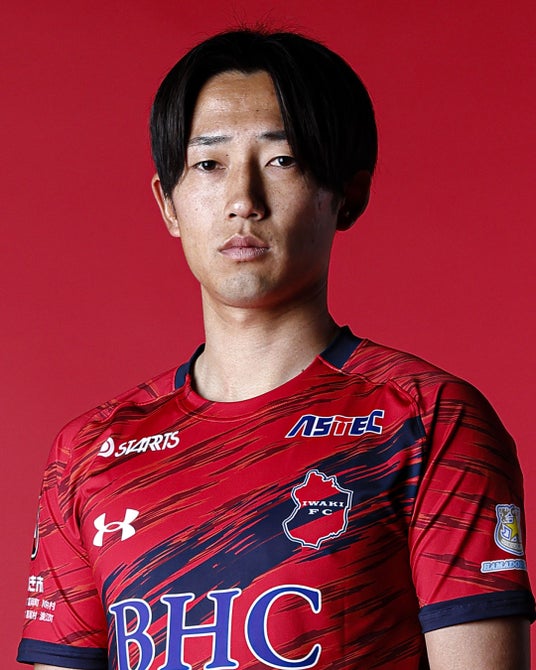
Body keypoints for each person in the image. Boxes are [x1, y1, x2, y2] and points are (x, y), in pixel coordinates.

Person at [17, 28, 534, 670]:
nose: (243, 201)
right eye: (208, 165)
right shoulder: (89, 452)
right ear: (168, 204)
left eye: (281, 160)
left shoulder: (430, 420)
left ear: (348, 194)